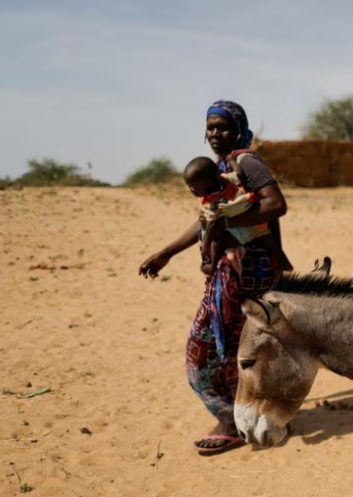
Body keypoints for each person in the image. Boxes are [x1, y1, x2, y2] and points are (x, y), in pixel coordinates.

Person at [139, 100, 289, 455]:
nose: (213, 134)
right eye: (209, 127)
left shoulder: (246, 160)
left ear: (238, 128)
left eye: (221, 127)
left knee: (204, 350)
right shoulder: (221, 168)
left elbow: (276, 204)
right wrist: (168, 252)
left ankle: (230, 421)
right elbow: (208, 218)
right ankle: (260, 415)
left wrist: (226, 224)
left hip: (248, 272)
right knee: (240, 347)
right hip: (233, 274)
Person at [182, 156, 267, 276]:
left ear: (211, 180)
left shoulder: (214, 202)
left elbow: (212, 226)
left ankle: (211, 266)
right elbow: (240, 175)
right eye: (189, 185)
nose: (192, 189)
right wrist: (232, 161)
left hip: (247, 228)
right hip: (248, 221)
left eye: (195, 184)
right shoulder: (224, 179)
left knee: (217, 244)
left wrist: (206, 247)